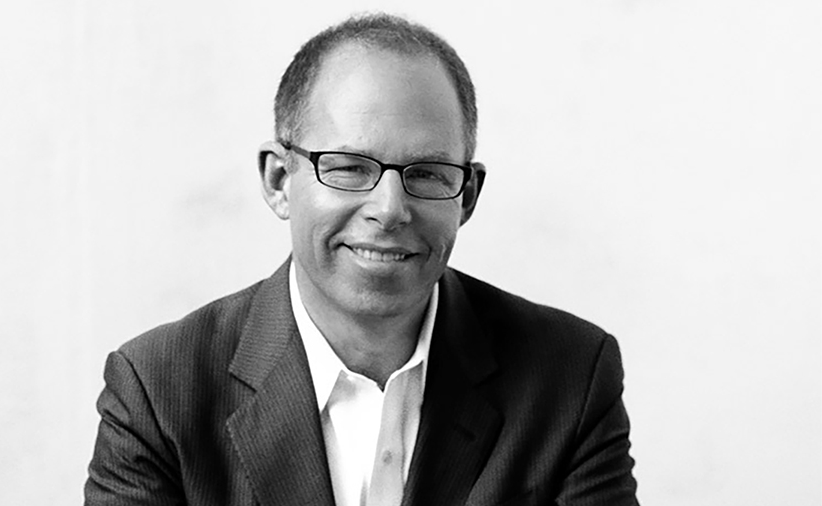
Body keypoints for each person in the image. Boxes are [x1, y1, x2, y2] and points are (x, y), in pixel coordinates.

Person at [84, 13, 639, 506]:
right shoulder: (158, 392)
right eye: (349, 167)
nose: (390, 209)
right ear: (278, 180)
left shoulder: (569, 377)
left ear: (467, 196)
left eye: (427, 173)